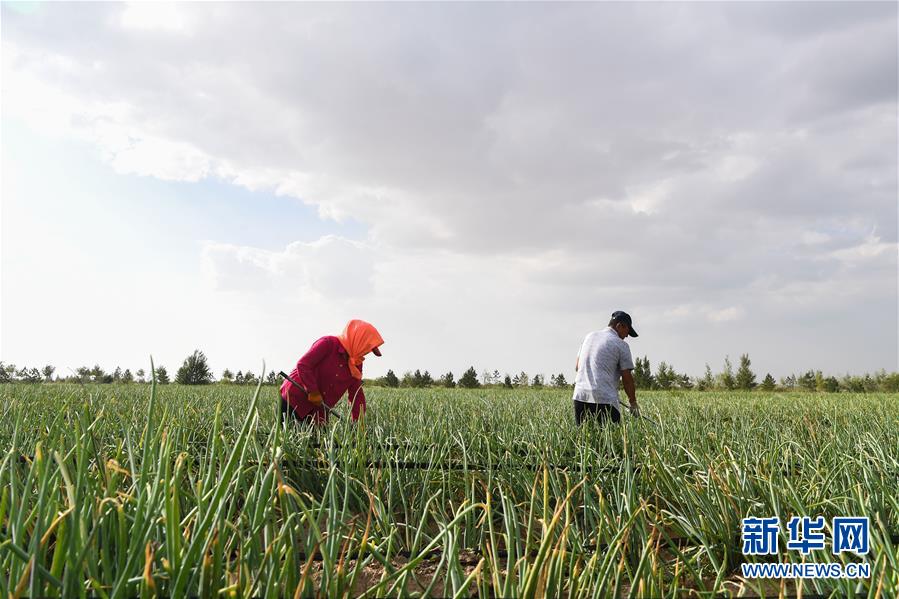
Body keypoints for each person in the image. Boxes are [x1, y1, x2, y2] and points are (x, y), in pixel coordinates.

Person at [280, 319, 384, 425]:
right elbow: (303, 365)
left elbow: (356, 394)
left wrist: (358, 423)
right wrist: (313, 391)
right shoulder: (328, 343)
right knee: (287, 434)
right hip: (295, 398)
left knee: (318, 440)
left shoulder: (356, 364)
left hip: (320, 409)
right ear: (358, 341)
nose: (365, 353)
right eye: (365, 349)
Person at [572, 311, 641, 425]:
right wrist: (633, 404)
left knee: (585, 440)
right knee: (613, 441)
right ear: (619, 326)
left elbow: (577, 366)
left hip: (580, 397)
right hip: (605, 400)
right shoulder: (621, 345)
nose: (627, 335)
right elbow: (627, 378)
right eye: (627, 331)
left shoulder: (589, 337)